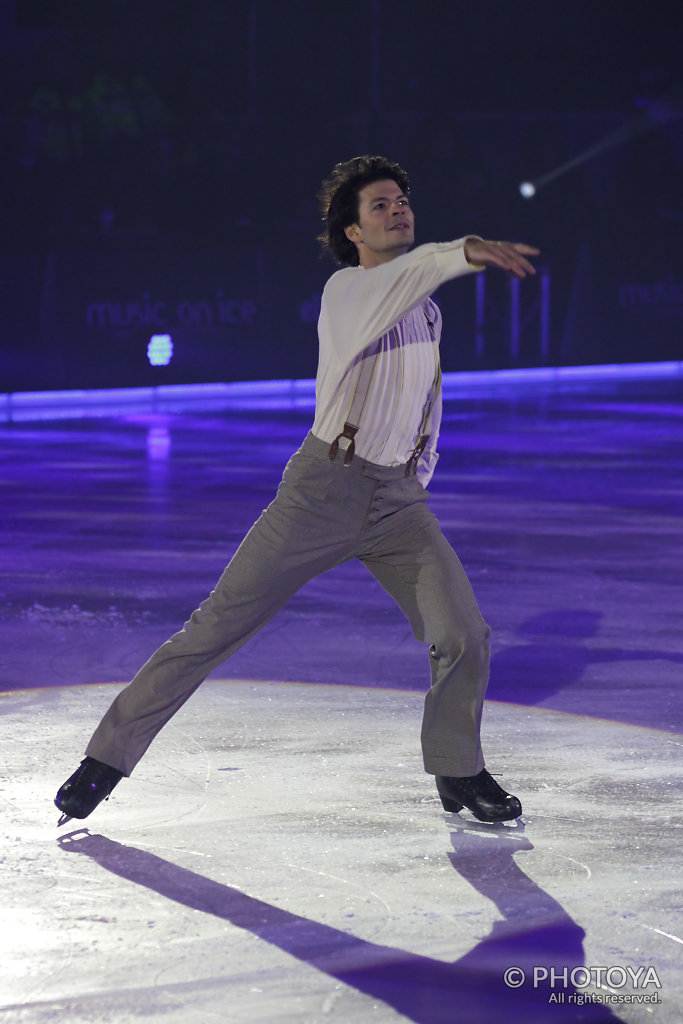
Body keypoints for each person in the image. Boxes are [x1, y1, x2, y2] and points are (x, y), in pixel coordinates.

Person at [55, 155, 539, 824]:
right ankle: (104, 760)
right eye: (379, 205)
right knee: (217, 625)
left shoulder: (424, 312)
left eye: (401, 199)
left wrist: (416, 472)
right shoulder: (349, 291)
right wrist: (464, 251)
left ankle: (458, 772)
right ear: (352, 234)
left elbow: (425, 400)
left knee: (463, 633)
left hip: (397, 504)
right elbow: (415, 270)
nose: (397, 208)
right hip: (321, 492)